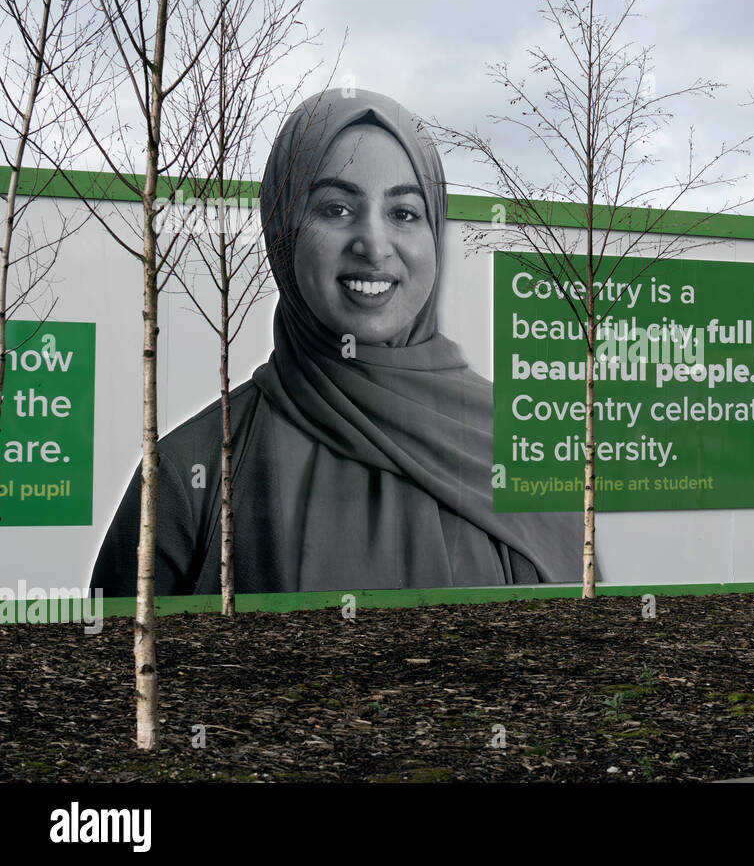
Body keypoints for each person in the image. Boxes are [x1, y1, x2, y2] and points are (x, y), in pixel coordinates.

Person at [91, 88, 582, 596]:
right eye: (337, 208)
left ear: (435, 232)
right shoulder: (190, 475)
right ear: (283, 232)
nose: (372, 244)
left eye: (405, 213)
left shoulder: (521, 452)